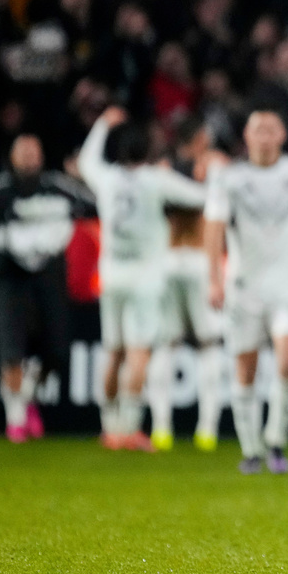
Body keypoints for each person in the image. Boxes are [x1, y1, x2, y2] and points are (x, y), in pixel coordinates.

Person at [204, 108, 288, 475]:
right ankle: (251, 449)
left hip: (287, 288)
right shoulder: (229, 178)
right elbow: (213, 229)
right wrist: (213, 279)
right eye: (258, 129)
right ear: (247, 137)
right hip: (244, 289)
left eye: (271, 129)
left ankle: (276, 441)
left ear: (282, 135)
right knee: (245, 371)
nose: (264, 135)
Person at [78, 107, 207, 451]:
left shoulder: (106, 178)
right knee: (138, 354)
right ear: (148, 151)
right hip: (146, 278)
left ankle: (109, 427)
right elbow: (200, 197)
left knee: (113, 352)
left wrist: (102, 124)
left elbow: (87, 161)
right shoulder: (156, 179)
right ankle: (129, 428)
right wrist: (214, 174)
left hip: (112, 276)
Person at [0, 134, 96, 442]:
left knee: (57, 351)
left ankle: (28, 397)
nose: (28, 157)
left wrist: (82, 177)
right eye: (22, 151)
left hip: (49, 274)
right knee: (11, 348)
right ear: (11, 156)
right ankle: (16, 419)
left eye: (33, 151)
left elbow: (96, 204)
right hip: (10, 274)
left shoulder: (58, 186)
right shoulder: (0, 188)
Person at [145, 116, 228, 453]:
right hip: (199, 261)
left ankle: (161, 428)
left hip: (166, 260)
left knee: (165, 345)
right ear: (199, 139)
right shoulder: (213, 167)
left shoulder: (161, 171)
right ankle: (207, 429)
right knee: (209, 345)